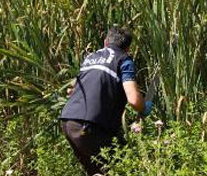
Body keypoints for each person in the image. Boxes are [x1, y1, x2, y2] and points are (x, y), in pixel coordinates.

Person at [60, 26, 153, 176]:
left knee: (98, 172)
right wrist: (143, 107)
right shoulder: (123, 59)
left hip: (68, 122)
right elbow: (134, 100)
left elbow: (72, 90)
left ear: (105, 42)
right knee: (122, 167)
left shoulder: (90, 58)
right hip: (89, 126)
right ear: (128, 48)